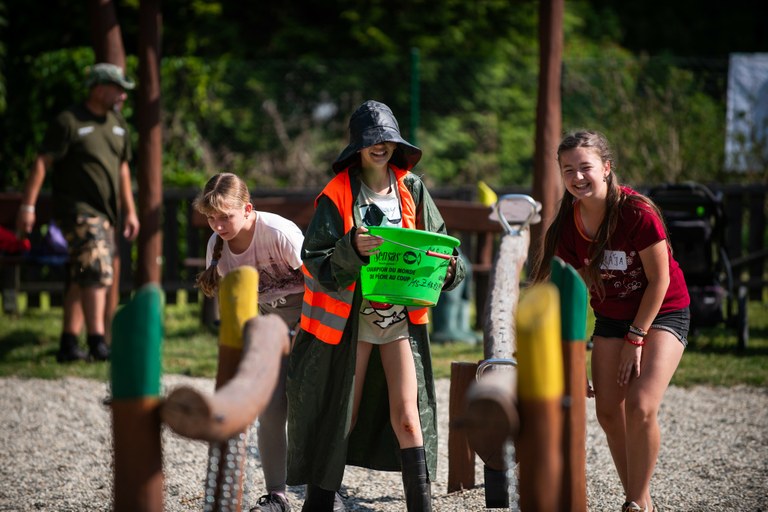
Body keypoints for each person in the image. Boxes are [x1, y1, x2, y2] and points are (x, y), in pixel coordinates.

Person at [286, 100, 466, 512]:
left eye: (386, 139)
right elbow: (315, 262)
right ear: (357, 147)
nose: (380, 146)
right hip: (349, 326)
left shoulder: (413, 188)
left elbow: (443, 248)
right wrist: (351, 247)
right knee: (341, 417)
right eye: (372, 141)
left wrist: (451, 267)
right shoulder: (336, 195)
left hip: (400, 321)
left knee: (409, 417)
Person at [529, 130, 690, 512]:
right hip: (612, 316)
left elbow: (660, 279)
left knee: (640, 405)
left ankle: (634, 501)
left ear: (606, 167)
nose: (577, 177)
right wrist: (568, 357)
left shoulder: (637, 212)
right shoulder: (569, 222)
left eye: (585, 167)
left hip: (662, 310)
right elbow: (562, 289)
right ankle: (641, 499)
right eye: (568, 170)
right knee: (607, 411)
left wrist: (636, 339)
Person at [193, 172, 305, 512]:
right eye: (212, 218)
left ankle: (325, 489)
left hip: (309, 316)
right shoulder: (218, 245)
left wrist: (305, 332)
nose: (219, 226)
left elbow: (320, 284)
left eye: (225, 217)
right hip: (267, 322)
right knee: (271, 408)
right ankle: (277, 495)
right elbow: (237, 304)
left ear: (248, 209)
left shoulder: (277, 233)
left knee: (308, 405)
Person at [15, 62, 140, 363]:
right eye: (117, 89)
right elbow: (43, 163)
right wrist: (28, 206)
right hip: (78, 211)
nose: (123, 96)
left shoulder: (118, 124)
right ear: (99, 88)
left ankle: (68, 344)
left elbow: (123, 170)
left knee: (80, 274)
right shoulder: (69, 121)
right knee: (96, 269)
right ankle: (97, 341)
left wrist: (131, 211)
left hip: (106, 214)